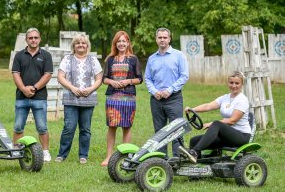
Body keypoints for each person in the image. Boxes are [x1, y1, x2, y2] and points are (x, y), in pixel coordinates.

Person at [182, 71, 251, 163]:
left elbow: (232, 121)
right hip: (226, 136)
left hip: (241, 136)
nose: (234, 86)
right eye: (231, 83)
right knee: (194, 141)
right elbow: (208, 106)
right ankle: (195, 170)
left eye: (237, 83)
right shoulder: (225, 98)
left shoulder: (242, 100)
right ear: (228, 83)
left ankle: (194, 152)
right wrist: (192, 109)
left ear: (242, 84)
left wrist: (211, 124)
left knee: (217, 124)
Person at [55, 34, 103, 164]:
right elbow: (60, 77)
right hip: (71, 98)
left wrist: (91, 89)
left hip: (88, 99)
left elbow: (99, 79)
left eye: (83, 43)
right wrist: (72, 88)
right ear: (74, 46)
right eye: (78, 43)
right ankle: (62, 154)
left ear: (87, 45)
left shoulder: (93, 60)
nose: (81, 45)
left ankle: (83, 155)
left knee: (85, 129)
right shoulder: (67, 59)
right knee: (69, 127)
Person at [145, 27, 189, 158]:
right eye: (160, 37)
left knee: (176, 130)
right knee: (159, 131)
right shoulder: (151, 58)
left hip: (174, 98)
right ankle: (161, 159)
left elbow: (184, 76)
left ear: (169, 39)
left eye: (165, 37)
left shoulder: (179, 55)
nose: (162, 40)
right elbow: (148, 78)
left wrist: (170, 90)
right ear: (156, 39)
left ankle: (178, 159)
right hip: (156, 99)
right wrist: (154, 91)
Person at [101, 30, 143, 166]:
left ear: (128, 43)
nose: (121, 43)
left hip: (129, 97)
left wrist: (128, 81)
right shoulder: (110, 59)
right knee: (112, 127)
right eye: (119, 41)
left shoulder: (133, 59)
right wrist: (112, 82)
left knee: (126, 127)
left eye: (124, 41)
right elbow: (104, 79)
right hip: (113, 97)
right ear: (115, 43)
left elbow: (139, 79)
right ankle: (108, 157)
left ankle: (126, 157)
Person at [11, 27, 53, 162]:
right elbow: (15, 74)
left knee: (42, 126)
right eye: (30, 38)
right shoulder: (19, 55)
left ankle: (45, 152)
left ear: (39, 39)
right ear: (26, 39)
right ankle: (16, 150)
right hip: (21, 97)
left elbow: (48, 75)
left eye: (36, 37)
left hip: (39, 98)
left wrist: (34, 88)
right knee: (18, 126)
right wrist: (23, 89)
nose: (33, 40)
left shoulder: (46, 55)